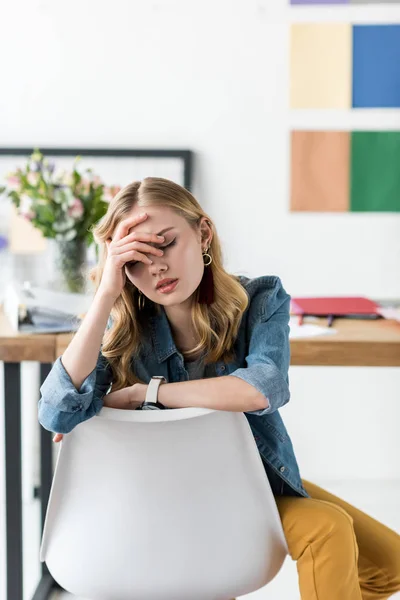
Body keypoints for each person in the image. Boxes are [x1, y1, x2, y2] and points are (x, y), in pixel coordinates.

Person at [38, 177, 400, 600]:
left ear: (203, 233)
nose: (154, 267)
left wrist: (145, 394)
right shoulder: (120, 329)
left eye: (165, 244)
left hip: (245, 482)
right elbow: (56, 413)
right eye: (135, 261)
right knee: (328, 527)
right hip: (161, 500)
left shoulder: (259, 299)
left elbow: (262, 389)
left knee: (389, 563)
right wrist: (105, 293)